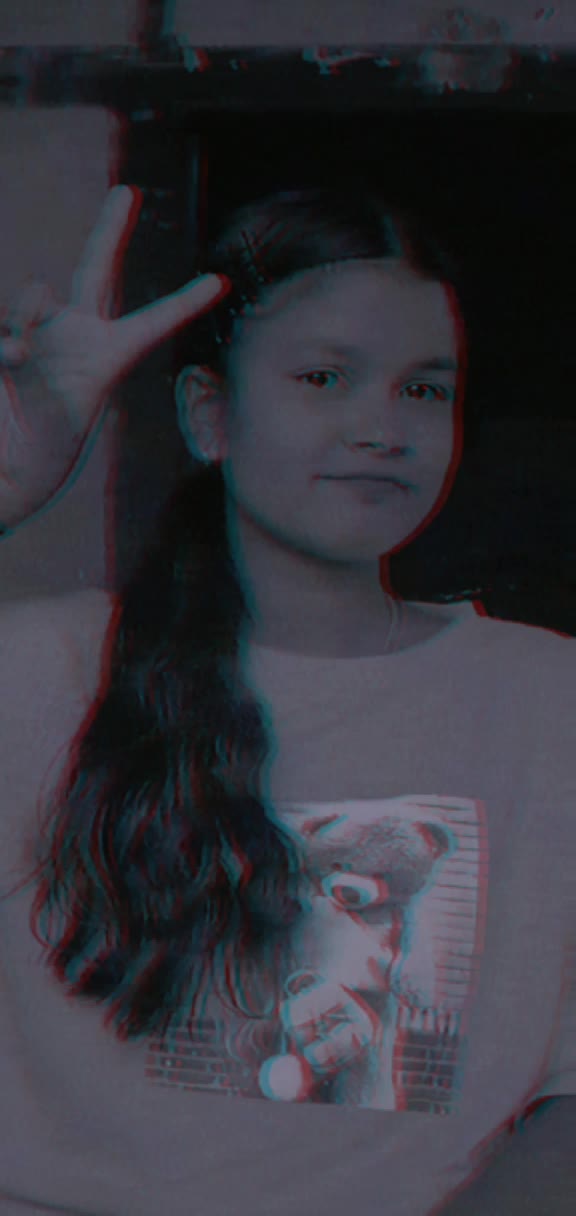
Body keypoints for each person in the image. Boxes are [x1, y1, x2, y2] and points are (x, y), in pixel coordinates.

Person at [0, 183, 573, 1216]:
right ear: (208, 414)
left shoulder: (546, 698)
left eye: (423, 389)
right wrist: (4, 488)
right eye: (324, 377)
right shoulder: (46, 667)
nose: (381, 427)